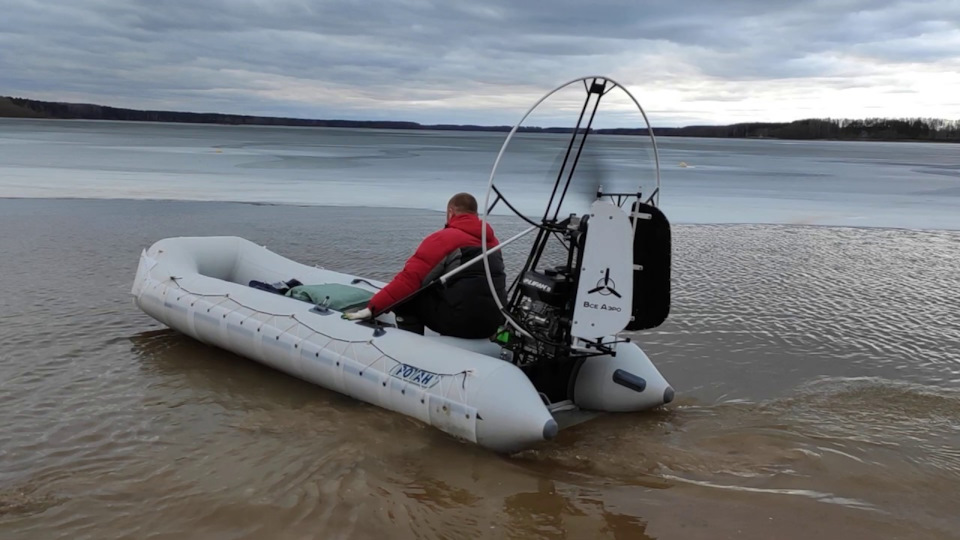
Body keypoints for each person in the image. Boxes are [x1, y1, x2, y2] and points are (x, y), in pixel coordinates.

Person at [343, 193, 507, 338]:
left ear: (450, 212)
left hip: (462, 324)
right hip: (492, 324)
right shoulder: (493, 242)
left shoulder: (444, 239)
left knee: (406, 298)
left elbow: (409, 281)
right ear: (475, 214)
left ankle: (411, 349)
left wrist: (373, 307)